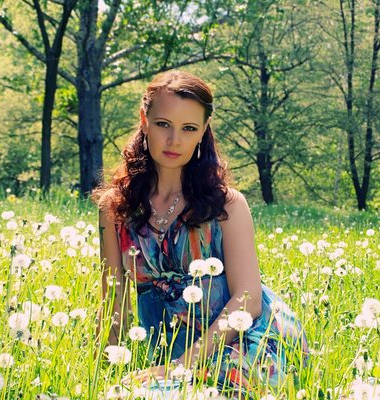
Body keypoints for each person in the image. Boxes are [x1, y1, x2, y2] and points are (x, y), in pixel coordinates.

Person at [93, 70, 307, 396]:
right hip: (169, 353)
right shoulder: (116, 209)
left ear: (203, 131)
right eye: (164, 124)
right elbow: (114, 304)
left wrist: (182, 366)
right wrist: (102, 375)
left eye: (188, 128)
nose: (174, 140)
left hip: (247, 340)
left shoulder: (227, 206)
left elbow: (247, 302)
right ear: (144, 120)